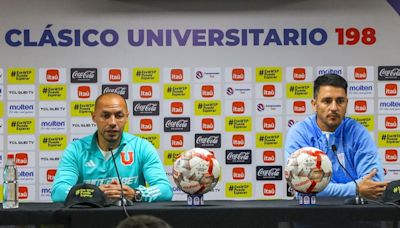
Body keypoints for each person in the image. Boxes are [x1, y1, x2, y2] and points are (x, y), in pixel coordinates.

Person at [52, 93, 173, 203]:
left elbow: (165, 190)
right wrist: (93, 193)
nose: (112, 122)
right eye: (105, 115)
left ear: (126, 117)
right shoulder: (76, 150)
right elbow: (58, 192)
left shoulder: (141, 147)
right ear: (94, 117)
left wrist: (136, 193)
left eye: (119, 115)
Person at [285, 74, 388, 199]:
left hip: (356, 215)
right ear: (314, 104)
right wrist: (356, 189)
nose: (334, 108)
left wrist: (325, 190)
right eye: (327, 101)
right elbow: (303, 187)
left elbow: (373, 184)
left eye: (340, 101)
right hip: (310, 215)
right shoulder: (300, 133)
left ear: (346, 103)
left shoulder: (358, 132)